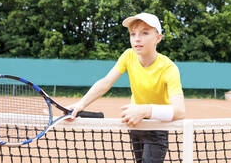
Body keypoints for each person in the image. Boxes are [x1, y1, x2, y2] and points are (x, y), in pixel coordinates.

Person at [68, 12, 186, 162]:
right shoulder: (128, 56)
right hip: (135, 124)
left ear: (158, 38)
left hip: (156, 127)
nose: (137, 38)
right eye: (132, 34)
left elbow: (180, 111)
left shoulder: (169, 68)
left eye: (145, 33)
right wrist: (81, 104)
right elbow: (106, 82)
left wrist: (145, 110)